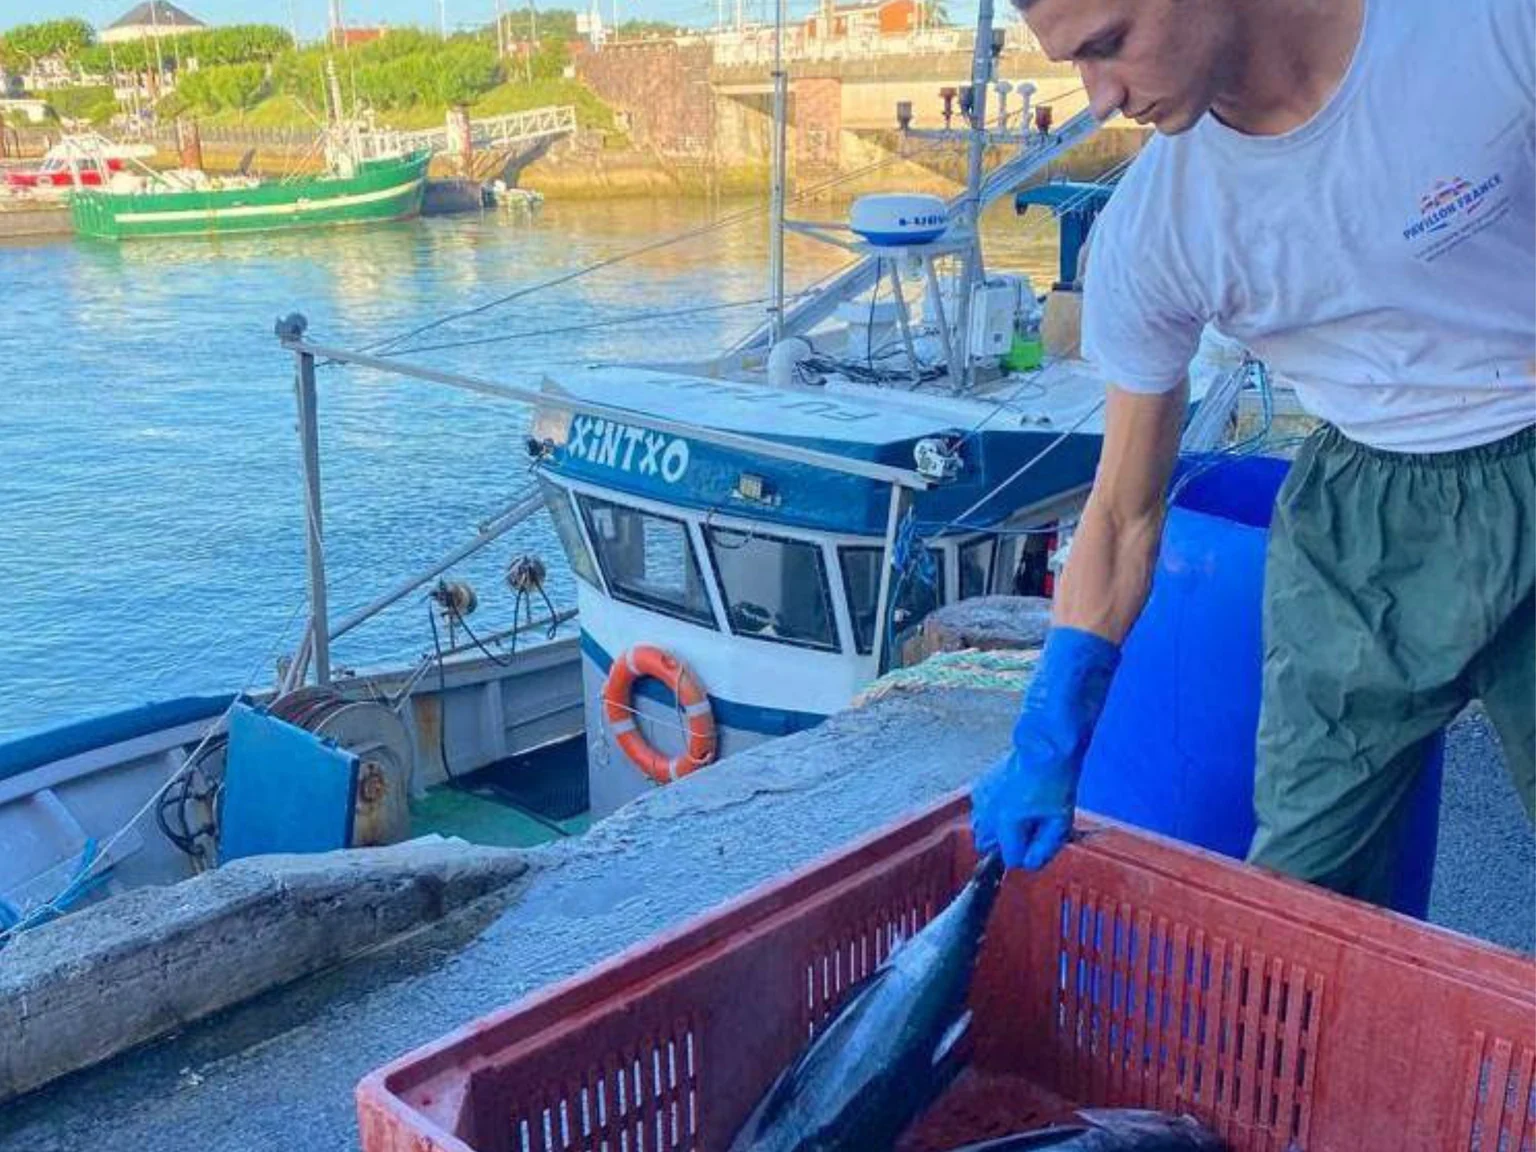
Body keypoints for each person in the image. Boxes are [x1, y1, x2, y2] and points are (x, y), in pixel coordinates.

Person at [970, 0, 1536, 904]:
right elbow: (1122, 514)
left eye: (1111, 46)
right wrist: (1051, 734)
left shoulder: (1481, 29)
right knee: (1305, 892)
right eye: (1077, 62)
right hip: (1360, 520)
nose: (1102, 98)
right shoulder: (1157, 229)